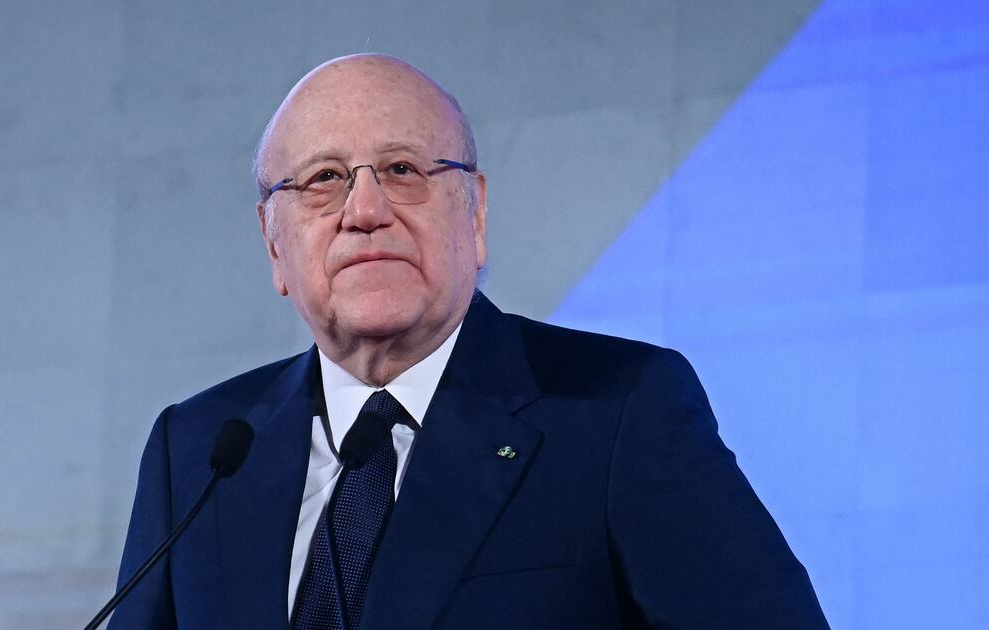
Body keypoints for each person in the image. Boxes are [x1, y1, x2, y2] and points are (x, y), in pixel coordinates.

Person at [110, 53, 828, 629]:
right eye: (324, 179)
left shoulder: (619, 412)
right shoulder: (198, 452)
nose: (366, 210)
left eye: (403, 170)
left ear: (475, 214)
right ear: (274, 245)